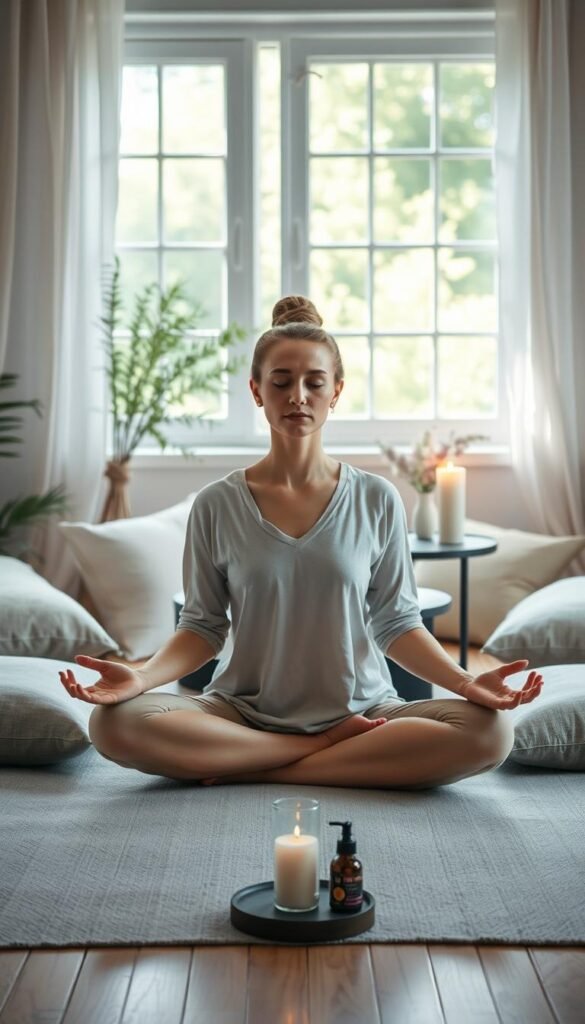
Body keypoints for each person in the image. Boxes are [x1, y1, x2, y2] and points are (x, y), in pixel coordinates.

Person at [59, 295, 543, 789]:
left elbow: (397, 622)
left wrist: (465, 683)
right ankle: (316, 753)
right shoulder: (216, 504)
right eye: (281, 382)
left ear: (335, 391)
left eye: (314, 382)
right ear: (256, 390)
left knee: (488, 732)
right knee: (114, 724)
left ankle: (252, 766)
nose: (298, 397)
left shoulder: (377, 498)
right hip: (240, 712)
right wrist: (140, 678)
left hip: (365, 711)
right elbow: (203, 627)